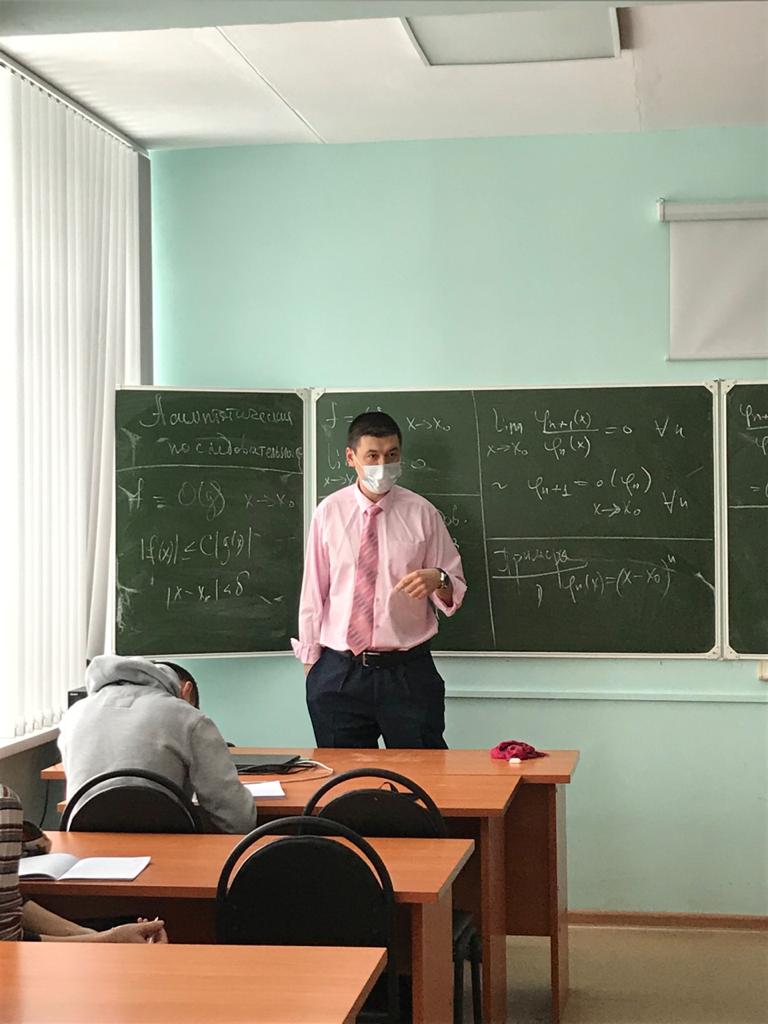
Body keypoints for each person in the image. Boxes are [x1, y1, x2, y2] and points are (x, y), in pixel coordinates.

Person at [293, 410, 466, 748]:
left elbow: (453, 585)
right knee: (346, 777)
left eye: (391, 454)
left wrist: (439, 579)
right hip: (340, 671)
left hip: (407, 671)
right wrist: (312, 668)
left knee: (423, 773)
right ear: (351, 457)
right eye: (372, 456)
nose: (383, 465)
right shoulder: (329, 512)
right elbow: (314, 591)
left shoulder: (423, 514)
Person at [58, 656, 257, 834]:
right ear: (182, 691)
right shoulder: (187, 716)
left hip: (82, 845)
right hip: (168, 844)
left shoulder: (74, 715)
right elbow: (237, 819)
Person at [0, 785, 167, 943]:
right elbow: (9, 942)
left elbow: (8, 908)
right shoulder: (4, 803)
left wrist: (92, 934)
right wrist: (108, 940)